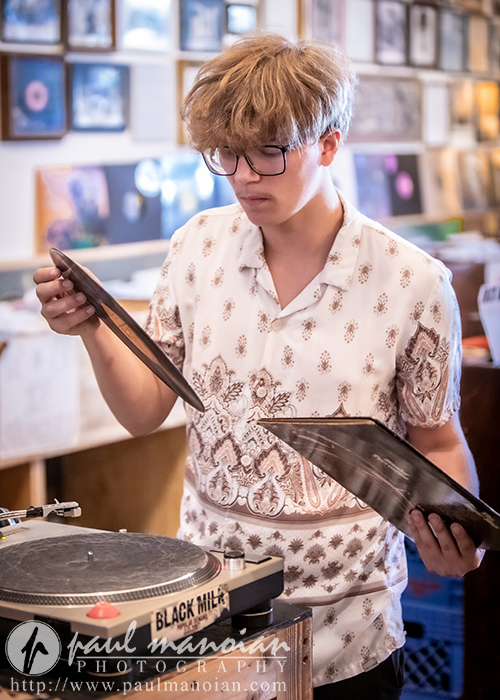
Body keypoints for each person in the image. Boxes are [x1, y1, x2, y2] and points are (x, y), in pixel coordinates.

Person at [34, 33, 484, 699]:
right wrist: (92, 330)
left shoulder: (414, 284)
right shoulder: (197, 248)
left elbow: (438, 440)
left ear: (328, 144)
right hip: (211, 615)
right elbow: (142, 410)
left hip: (347, 635)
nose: (245, 175)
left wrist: (461, 539)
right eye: (228, 154)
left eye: (270, 152)